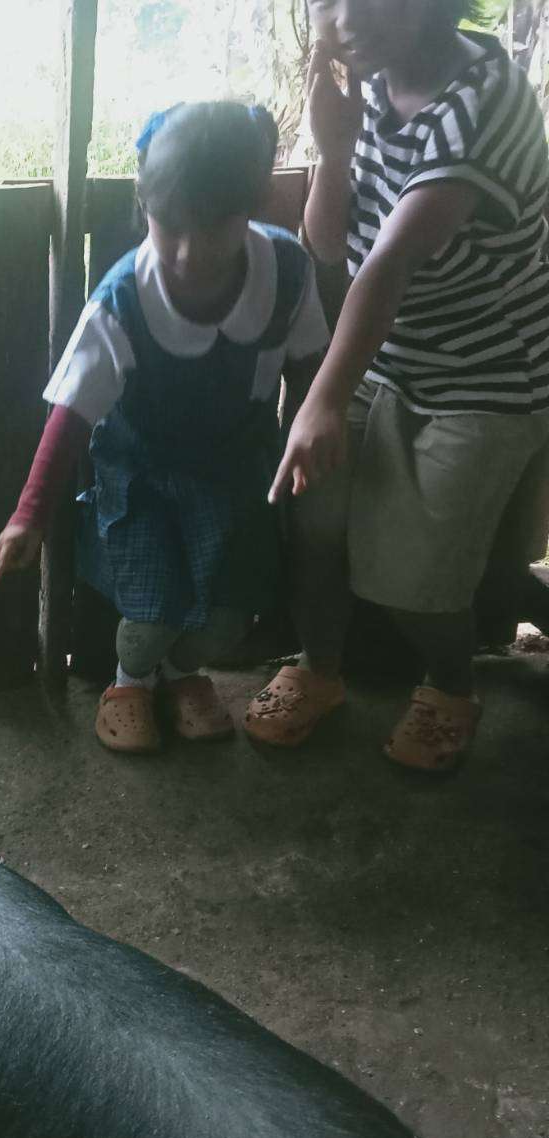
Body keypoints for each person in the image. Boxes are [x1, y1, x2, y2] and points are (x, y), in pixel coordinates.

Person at [245, 0, 549, 772]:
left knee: (417, 579)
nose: (343, 20)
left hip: (487, 375)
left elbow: (391, 261)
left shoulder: (485, 100)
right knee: (316, 526)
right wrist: (335, 148)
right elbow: (328, 245)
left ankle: (452, 686)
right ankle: (319, 669)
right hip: (385, 353)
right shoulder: (372, 82)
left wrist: (322, 397)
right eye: (326, 1)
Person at [0, 101, 328, 754]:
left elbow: (311, 363)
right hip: (143, 478)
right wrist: (29, 515)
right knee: (150, 611)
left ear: (251, 207)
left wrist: (317, 426)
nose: (182, 251)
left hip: (237, 475)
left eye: (210, 230)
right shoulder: (124, 300)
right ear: (144, 202)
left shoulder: (286, 273)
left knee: (229, 617)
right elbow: (72, 408)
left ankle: (181, 673)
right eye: (164, 225)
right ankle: (131, 679)